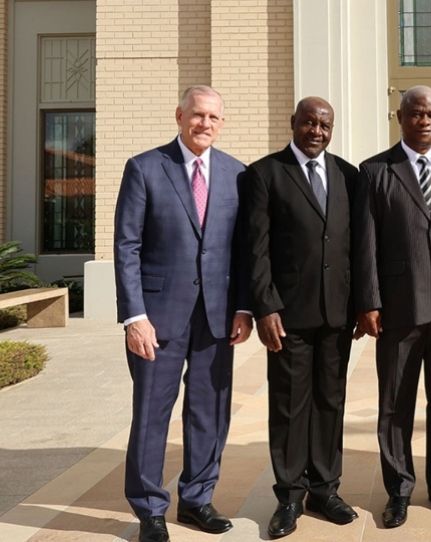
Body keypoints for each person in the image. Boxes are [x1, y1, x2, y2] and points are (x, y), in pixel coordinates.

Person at [114, 85, 253, 542]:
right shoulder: (145, 168)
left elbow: (243, 251)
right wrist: (135, 316)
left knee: (209, 412)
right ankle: (150, 509)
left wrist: (243, 308)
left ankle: (197, 499)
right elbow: (127, 247)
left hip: (216, 316)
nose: (205, 124)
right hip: (157, 318)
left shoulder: (237, 174)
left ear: (222, 123)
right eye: (197, 115)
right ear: (179, 115)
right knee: (153, 412)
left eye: (214, 117)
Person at [352, 85, 431, 529]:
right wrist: (368, 302)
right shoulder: (375, 171)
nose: (424, 121)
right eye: (416, 114)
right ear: (400, 118)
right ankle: (399, 490)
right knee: (395, 404)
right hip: (400, 310)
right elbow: (365, 245)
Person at [244, 97, 360, 538]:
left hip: (336, 314)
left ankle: (325, 490)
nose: (316, 131)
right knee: (290, 406)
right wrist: (266, 306)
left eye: (324, 125)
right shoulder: (265, 174)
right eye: (308, 122)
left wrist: (362, 304)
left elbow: (356, 247)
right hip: (288, 316)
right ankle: (290, 497)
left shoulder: (348, 176)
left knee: (331, 401)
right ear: (293, 123)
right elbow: (255, 248)